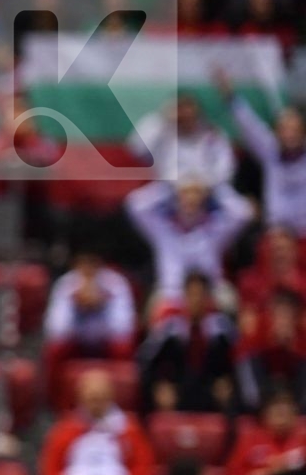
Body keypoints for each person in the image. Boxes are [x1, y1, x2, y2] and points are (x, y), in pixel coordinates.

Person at [123, 180, 255, 309]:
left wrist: (215, 186)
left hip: (210, 295)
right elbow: (133, 205)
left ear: (204, 197)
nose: (190, 199)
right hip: (171, 295)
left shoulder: (214, 229)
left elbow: (244, 213)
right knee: (156, 307)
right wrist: (168, 185)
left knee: (230, 302)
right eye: (185, 193)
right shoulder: (163, 229)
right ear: (176, 196)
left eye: (196, 193)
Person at [38, 368, 156, 475]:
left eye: (101, 399)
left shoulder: (129, 429)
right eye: (92, 399)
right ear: (81, 398)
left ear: (111, 397)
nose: (96, 404)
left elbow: (143, 467)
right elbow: (50, 468)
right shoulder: (64, 429)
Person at [138, 271, 238, 413]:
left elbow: (238, 363)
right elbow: (144, 360)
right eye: (191, 294)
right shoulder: (169, 328)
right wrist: (158, 386)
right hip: (177, 394)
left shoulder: (223, 329)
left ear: (208, 298)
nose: (196, 300)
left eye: (200, 295)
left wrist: (229, 383)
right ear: (184, 297)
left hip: (211, 395)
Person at [219, 73, 306, 235]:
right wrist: (230, 96)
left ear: (303, 133)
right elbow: (248, 124)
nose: (290, 135)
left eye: (295, 130)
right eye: (284, 129)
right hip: (276, 232)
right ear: (277, 133)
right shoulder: (270, 150)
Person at [44, 247, 137, 370]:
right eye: (83, 263)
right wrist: (76, 306)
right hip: (77, 344)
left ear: (101, 264)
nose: (88, 268)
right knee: (56, 349)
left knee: (123, 348)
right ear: (75, 265)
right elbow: (56, 331)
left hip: (106, 344)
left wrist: (102, 305)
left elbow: (124, 330)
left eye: (92, 263)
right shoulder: (66, 285)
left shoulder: (115, 284)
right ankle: (53, 390)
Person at [225, 387, 306, 475]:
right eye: (277, 411)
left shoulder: (303, 438)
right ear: (265, 414)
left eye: (287, 411)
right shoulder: (250, 440)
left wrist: (279, 467)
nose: (282, 417)